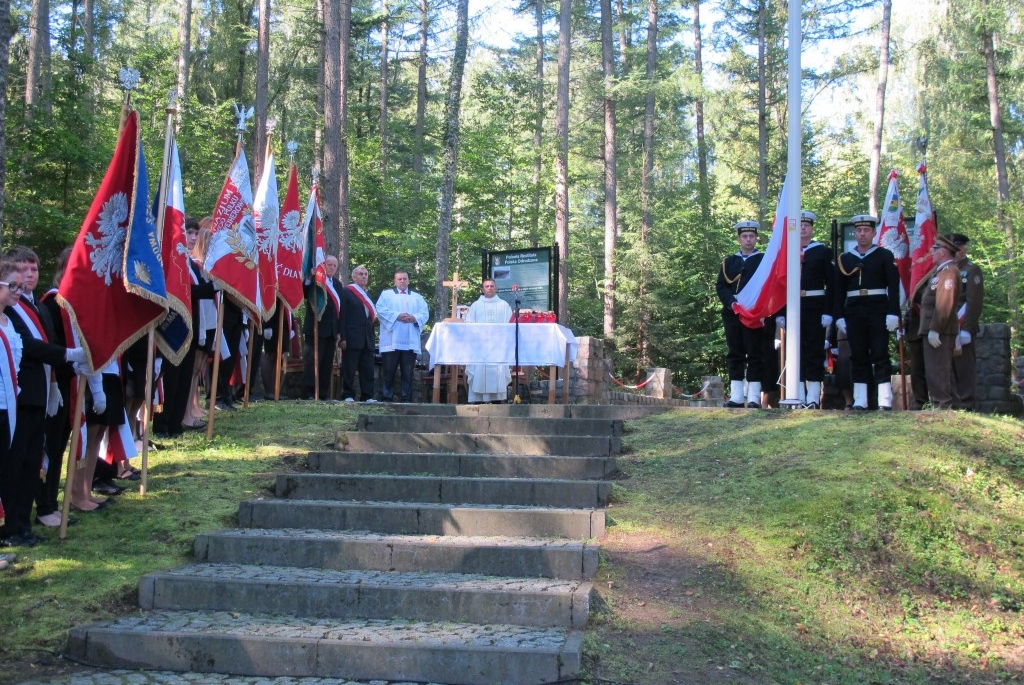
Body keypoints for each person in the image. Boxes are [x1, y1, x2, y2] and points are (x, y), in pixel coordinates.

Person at [2, 247, 86, 545]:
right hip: (18, 398)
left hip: (39, 392)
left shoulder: (32, 305)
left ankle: (23, 523)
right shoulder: (10, 310)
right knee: (15, 464)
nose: (28, 277)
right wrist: (68, 354)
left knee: (31, 462)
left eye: (33, 269)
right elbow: (28, 347)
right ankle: (12, 526)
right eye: (20, 272)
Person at [835, 215, 900, 411]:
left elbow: (894, 286)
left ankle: (884, 400)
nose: (862, 234)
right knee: (858, 354)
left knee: (880, 353)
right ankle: (860, 400)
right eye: (859, 231)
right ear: (855, 233)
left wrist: (893, 312)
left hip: (878, 308)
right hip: (854, 310)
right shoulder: (845, 259)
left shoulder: (884, 255)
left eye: (866, 231)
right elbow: (838, 291)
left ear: (873, 233)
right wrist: (838, 315)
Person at [775, 211, 834, 408]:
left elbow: (832, 284)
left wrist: (828, 311)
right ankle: (798, 395)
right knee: (795, 352)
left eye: (806, 225)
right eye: (799, 225)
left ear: (812, 228)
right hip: (792, 307)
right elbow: (779, 285)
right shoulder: (786, 251)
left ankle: (813, 398)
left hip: (815, 305)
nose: (802, 228)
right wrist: (780, 313)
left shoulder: (822, 251)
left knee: (814, 351)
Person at [716, 220, 768, 408]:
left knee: (755, 353)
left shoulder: (764, 260)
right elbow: (721, 286)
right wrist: (732, 303)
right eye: (744, 236)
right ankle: (737, 395)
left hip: (754, 313)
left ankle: (754, 396)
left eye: (751, 236)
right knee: (735, 352)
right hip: (733, 313)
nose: (748, 240)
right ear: (739, 239)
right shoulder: (729, 262)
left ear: (756, 238)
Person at [914, 234, 962, 410]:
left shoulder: (949, 272)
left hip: (939, 329)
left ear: (942, 252)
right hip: (933, 327)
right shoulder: (941, 271)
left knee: (938, 369)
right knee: (942, 368)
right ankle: (952, 405)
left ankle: (942, 405)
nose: (931, 253)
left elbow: (944, 303)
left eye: (934, 250)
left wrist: (935, 329)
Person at [376, 269, 429, 402]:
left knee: (408, 373)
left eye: (405, 278)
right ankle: (387, 398)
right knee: (389, 371)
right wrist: (397, 316)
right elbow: (380, 310)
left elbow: (424, 314)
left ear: (408, 280)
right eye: (399, 279)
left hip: (409, 341)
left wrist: (414, 318)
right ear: (395, 281)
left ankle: (407, 399)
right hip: (392, 340)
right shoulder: (386, 295)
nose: (402, 281)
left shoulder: (417, 297)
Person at [949, 233, 984, 410]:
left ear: (965, 250)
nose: (957, 252)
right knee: (948, 367)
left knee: (964, 367)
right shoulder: (944, 269)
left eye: (960, 248)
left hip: (963, 327)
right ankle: (953, 403)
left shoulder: (971, 270)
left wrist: (967, 328)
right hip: (946, 327)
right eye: (953, 248)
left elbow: (974, 301)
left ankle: (966, 403)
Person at [465, 279, 513, 403]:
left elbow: (510, 326)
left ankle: (497, 401)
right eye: (487, 286)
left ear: (496, 288)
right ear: (483, 289)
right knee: (479, 373)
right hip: (480, 347)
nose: (490, 288)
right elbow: (469, 325)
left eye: (492, 286)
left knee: (498, 373)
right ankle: (478, 401)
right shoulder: (476, 306)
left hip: (498, 347)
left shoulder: (504, 305)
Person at [303, 255, 342, 400]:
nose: (331, 267)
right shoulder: (316, 281)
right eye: (329, 264)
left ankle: (323, 394)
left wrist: (339, 331)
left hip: (331, 331)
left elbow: (339, 310)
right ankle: (310, 393)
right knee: (312, 362)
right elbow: (304, 292)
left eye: (334, 266)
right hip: (315, 328)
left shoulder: (337, 284)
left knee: (326, 365)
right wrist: (309, 277)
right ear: (323, 265)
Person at [339, 264, 377, 402]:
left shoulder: (367, 294)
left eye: (366, 274)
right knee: (349, 368)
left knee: (367, 369)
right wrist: (342, 337)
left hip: (367, 338)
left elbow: (370, 319)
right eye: (361, 274)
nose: (363, 276)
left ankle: (368, 396)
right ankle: (348, 395)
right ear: (354, 277)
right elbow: (342, 316)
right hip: (351, 337)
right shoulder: (346, 292)